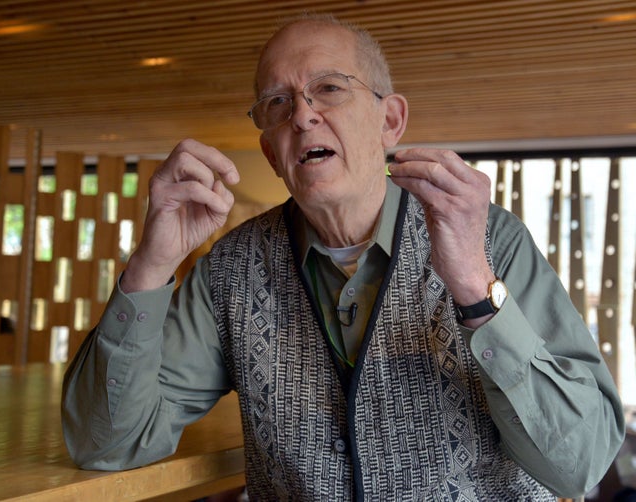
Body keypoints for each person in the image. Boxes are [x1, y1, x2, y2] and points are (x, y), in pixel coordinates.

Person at [61, 13, 625, 500]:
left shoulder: (489, 238)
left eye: (328, 88)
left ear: (390, 121)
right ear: (270, 150)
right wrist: (150, 267)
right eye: (277, 103)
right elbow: (103, 445)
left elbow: (578, 465)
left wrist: (477, 290)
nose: (301, 115)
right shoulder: (229, 269)